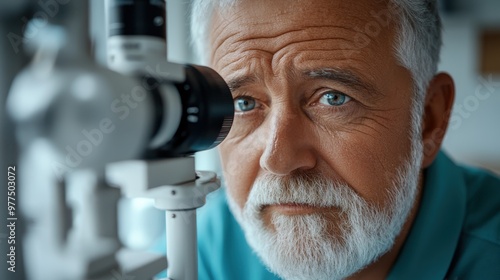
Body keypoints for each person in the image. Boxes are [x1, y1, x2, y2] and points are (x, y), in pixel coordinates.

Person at [190, 0, 500, 279]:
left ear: (428, 120)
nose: (278, 159)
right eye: (244, 103)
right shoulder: (203, 245)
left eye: (333, 98)